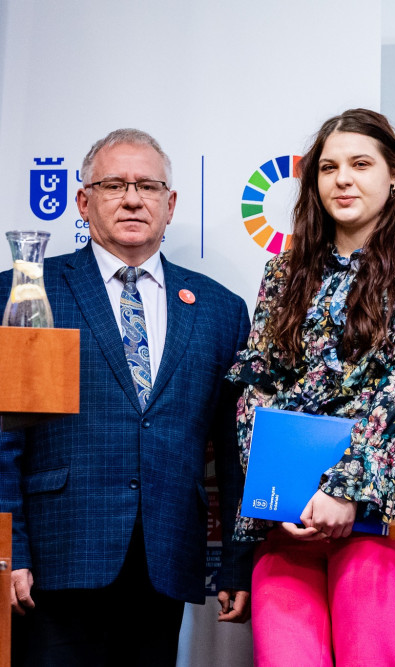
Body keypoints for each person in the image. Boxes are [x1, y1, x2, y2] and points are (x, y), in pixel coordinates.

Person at [0, 129, 252, 666]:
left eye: (148, 186)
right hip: (54, 558)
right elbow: (3, 437)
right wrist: (9, 551)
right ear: (83, 202)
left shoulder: (219, 309)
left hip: (165, 557)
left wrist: (236, 562)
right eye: (114, 184)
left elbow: (234, 454)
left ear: (171, 203)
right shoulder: (25, 289)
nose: (133, 198)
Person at [226, 108, 395, 666]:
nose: (342, 180)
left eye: (360, 164)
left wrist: (344, 490)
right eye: (328, 168)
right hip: (288, 514)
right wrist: (281, 492)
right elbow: (256, 387)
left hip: (381, 503)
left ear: (394, 175)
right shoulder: (283, 273)